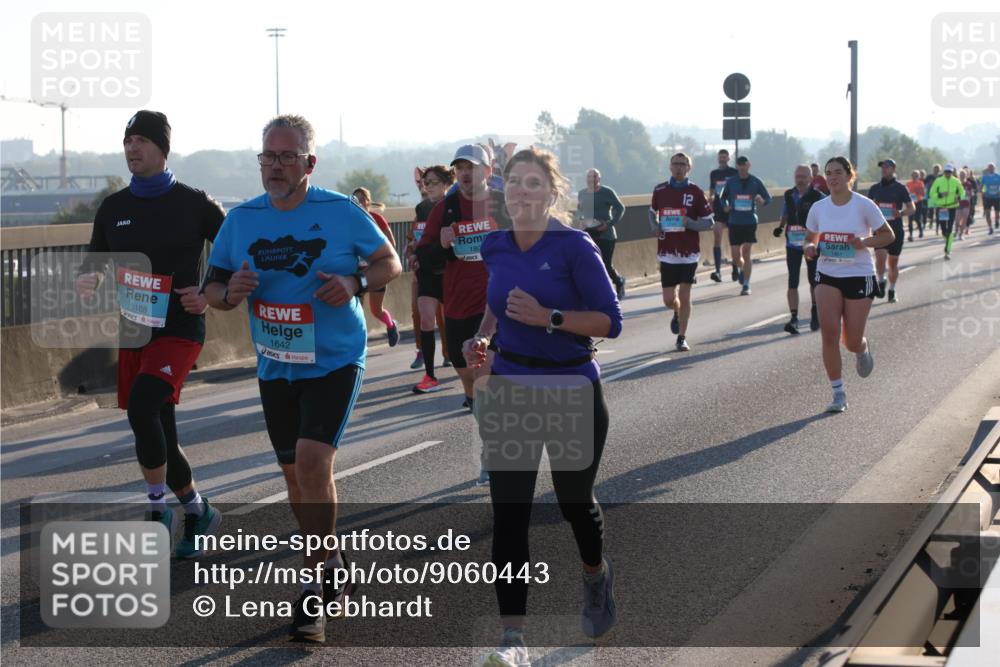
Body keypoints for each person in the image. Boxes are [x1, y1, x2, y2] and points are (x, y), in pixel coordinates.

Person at [203, 114, 401, 643]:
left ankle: (316, 586)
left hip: (335, 357)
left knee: (314, 462)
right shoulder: (240, 220)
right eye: (268, 156)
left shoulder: (340, 211)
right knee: (294, 476)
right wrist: (233, 292)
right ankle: (332, 558)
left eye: (287, 157)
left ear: (309, 164)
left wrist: (354, 280)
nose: (275, 166)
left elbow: (389, 262)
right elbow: (214, 292)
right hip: (276, 362)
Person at [462, 147, 623, 666]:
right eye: (515, 182)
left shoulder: (575, 246)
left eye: (534, 183)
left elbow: (608, 321)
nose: (523, 191)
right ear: (503, 193)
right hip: (512, 386)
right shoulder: (495, 246)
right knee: (510, 515)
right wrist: (483, 337)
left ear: (553, 193)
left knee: (575, 504)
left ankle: (596, 574)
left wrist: (547, 318)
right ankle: (513, 640)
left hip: (572, 387)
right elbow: (496, 299)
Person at [75, 110, 225, 558]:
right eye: (127, 141)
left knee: (142, 408)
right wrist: (88, 281)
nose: (132, 148)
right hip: (135, 330)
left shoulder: (195, 202)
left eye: (141, 140)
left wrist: (206, 292)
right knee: (159, 427)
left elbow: (235, 250)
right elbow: (93, 262)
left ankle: (158, 508)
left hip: (180, 329)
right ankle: (198, 511)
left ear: (162, 148)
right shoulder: (114, 208)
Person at [416, 144, 510, 412]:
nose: (465, 173)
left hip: (495, 303)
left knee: (484, 374)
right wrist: (441, 245)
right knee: (466, 374)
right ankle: (471, 397)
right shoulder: (444, 210)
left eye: (472, 167)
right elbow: (424, 259)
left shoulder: (504, 205)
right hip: (458, 303)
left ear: (488, 171)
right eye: (460, 168)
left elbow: (527, 246)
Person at [804, 156, 895, 413]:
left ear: (849, 175)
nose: (832, 177)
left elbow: (888, 235)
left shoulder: (864, 205)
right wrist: (809, 247)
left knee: (851, 341)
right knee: (829, 333)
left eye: (838, 172)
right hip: (827, 273)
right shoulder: (819, 208)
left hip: (858, 274)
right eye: (828, 173)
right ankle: (838, 393)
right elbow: (809, 239)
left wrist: (863, 242)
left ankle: (862, 348)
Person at [648, 153, 715, 351]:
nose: (678, 167)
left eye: (682, 164)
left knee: (685, 294)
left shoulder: (695, 191)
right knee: (669, 299)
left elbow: (709, 221)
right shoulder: (660, 190)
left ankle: (682, 337)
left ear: (688, 168)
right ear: (670, 167)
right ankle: (676, 312)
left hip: (689, 252)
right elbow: (652, 212)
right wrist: (655, 227)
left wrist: (691, 223)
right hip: (667, 251)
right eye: (675, 164)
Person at [409, 165, 453, 393]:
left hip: (451, 272)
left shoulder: (456, 206)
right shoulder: (421, 208)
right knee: (426, 320)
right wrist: (414, 253)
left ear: (447, 183)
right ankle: (430, 375)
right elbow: (417, 237)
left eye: (434, 182)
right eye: (426, 183)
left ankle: (466, 365)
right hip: (426, 271)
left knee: (455, 322)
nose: (428, 186)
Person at [774, 165, 825, 333]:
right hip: (793, 244)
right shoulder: (789, 194)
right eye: (797, 176)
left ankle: (815, 311)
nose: (800, 179)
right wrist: (780, 227)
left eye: (803, 176)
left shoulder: (818, 197)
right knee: (792, 280)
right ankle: (794, 317)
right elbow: (786, 212)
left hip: (811, 243)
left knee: (813, 279)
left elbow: (826, 217)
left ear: (811, 178)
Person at [352, 187, 400, 347]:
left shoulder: (377, 219)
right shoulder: (350, 220)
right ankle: (359, 341)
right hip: (357, 272)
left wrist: (377, 258)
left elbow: (391, 245)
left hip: (376, 271)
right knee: (356, 308)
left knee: (376, 310)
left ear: (368, 201)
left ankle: (391, 325)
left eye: (362, 199)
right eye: (355, 199)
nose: (359, 202)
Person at [720, 155, 772, 295]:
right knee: (736, 256)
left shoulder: (756, 181)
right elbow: (722, 197)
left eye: (744, 164)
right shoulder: (731, 182)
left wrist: (763, 201)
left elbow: (768, 198)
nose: (742, 167)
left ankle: (746, 285)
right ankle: (741, 268)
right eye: (739, 164)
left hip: (749, 221)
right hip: (735, 221)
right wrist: (725, 206)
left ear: (749, 165)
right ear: (737, 166)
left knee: (746, 252)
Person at [867, 159, 914, 303]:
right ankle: (881, 280)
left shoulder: (901, 188)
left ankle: (892, 289)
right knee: (880, 260)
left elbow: (912, 208)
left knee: (893, 263)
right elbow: (867, 208)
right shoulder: (874, 188)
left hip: (896, 231)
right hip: (880, 231)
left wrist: (900, 212)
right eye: (882, 167)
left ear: (894, 169)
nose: (884, 169)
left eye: (887, 167)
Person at [576, 168, 627, 299]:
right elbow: (579, 210)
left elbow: (620, 208)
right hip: (588, 233)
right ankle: (595, 291)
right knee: (589, 263)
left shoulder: (607, 192)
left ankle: (619, 281)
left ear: (599, 179)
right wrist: (580, 220)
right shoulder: (582, 193)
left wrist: (609, 224)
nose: (591, 180)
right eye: (589, 177)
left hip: (605, 234)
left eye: (594, 177)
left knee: (605, 264)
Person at [707, 149, 739, 282]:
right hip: (719, 210)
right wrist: (712, 198)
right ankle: (718, 271)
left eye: (724, 157)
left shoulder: (734, 173)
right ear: (718, 158)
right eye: (720, 157)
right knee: (717, 238)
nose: (722, 159)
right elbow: (712, 190)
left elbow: (739, 188)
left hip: (732, 210)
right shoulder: (714, 173)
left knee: (734, 242)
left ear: (728, 158)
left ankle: (735, 267)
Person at [927, 164, 966, 260]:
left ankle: (948, 250)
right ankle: (948, 241)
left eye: (949, 172)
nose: (948, 173)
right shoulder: (938, 181)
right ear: (944, 172)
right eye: (946, 172)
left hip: (952, 207)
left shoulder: (956, 181)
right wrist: (940, 195)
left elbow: (962, 192)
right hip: (941, 208)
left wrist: (959, 198)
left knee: (949, 229)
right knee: (943, 230)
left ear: (952, 172)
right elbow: (931, 193)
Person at [906, 170, 926, 241]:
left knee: (917, 218)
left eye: (916, 175)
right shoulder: (908, 183)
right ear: (911, 176)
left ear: (918, 176)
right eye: (913, 175)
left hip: (918, 202)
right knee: (910, 219)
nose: (915, 177)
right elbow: (906, 194)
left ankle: (921, 231)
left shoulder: (920, 183)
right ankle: (910, 234)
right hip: (910, 203)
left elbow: (923, 194)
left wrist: (918, 191)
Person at [981, 162, 999, 235]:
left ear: (994, 168)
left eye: (992, 167)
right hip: (988, 197)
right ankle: (990, 228)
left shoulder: (998, 176)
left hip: (997, 197)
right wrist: (982, 192)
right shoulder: (985, 177)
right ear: (988, 168)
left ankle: (997, 221)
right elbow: (981, 186)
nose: (991, 168)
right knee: (988, 214)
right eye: (989, 167)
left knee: (997, 214)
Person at [925, 164, 942, 235]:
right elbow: (924, 184)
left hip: (939, 196)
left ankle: (937, 229)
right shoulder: (929, 177)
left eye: (937, 169)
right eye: (935, 169)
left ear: (940, 170)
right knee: (931, 211)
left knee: (938, 213)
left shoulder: (941, 176)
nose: (936, 170)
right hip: (930, 196)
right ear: (933, 169)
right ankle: (931, 221)